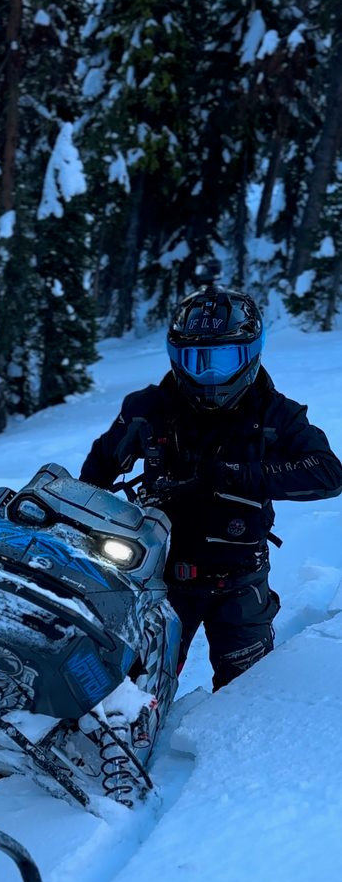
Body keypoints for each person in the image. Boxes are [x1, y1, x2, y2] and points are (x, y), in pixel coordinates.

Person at [80, 265, 342, 690]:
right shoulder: (149, 409)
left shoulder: (277, 416)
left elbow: (329, 474)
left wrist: (236, 475)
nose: (209, 376)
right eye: (195, 360)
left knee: (244, 699)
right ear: (175, 356)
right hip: (155, 580)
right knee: (127, 693)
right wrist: (81, 519)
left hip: (240, 584)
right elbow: (100, 465)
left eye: (224, 359)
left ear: (251, 355)